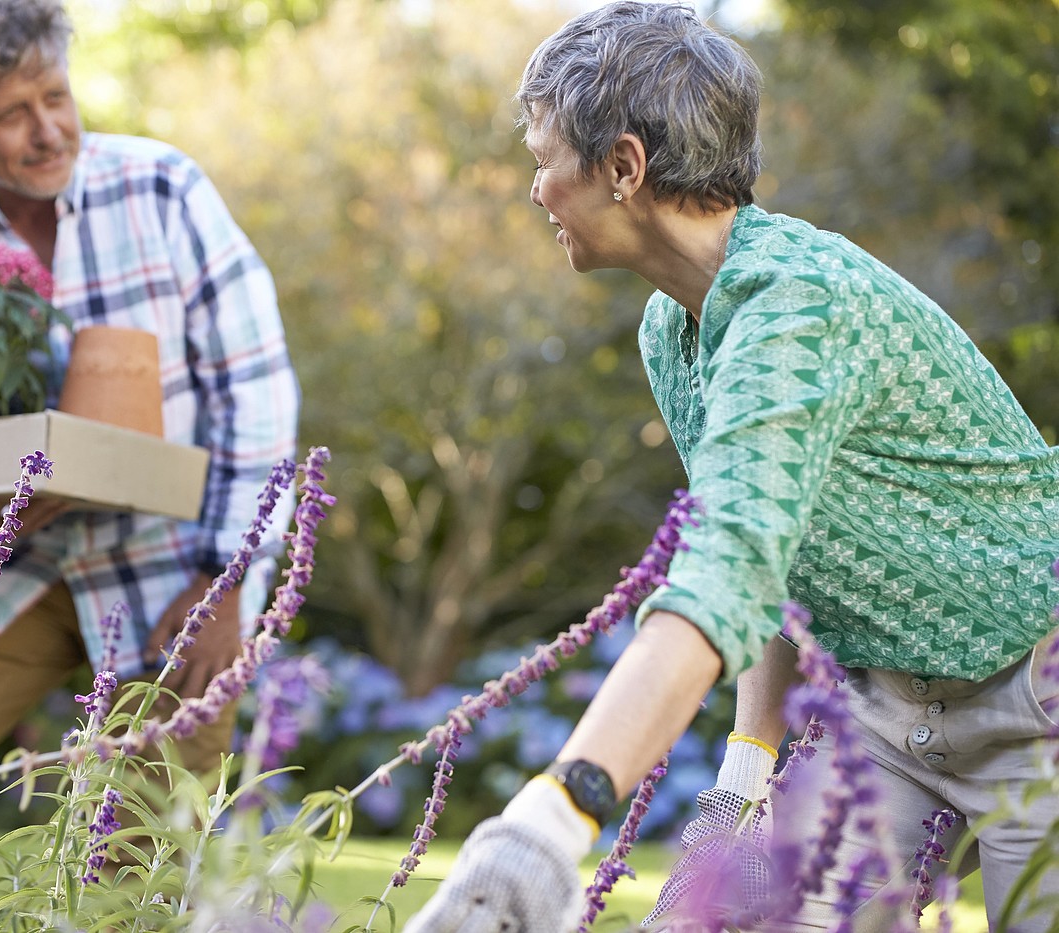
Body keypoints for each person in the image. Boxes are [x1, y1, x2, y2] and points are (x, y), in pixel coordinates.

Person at [406, 3, 1059, 931]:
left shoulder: (801, 303)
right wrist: (740, 788)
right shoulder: (673, 329)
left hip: (1040, 694)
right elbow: (758, 560)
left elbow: (721, 571)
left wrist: (551, 823)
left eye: (543, 155)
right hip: (883, 719)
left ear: (624, 167)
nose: (536, 185)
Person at [0, 0, 300, 802]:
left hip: (177, 568)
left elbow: (254, 388)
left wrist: (229, 582)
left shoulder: (162, 190)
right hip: (7, 564)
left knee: (139, 866)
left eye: (56, 97)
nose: (49, 129)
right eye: (12, 115)